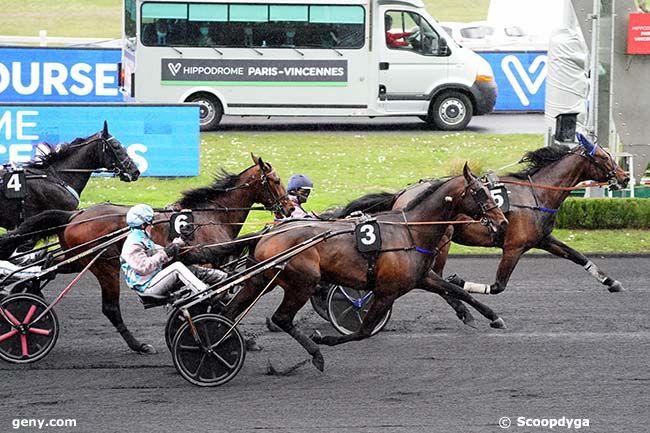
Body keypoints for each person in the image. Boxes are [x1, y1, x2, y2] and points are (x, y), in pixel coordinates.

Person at [120, 204, 227, 300]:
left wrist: (181, 240)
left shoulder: (143, 239)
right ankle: (204, 294)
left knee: (191, 270)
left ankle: (222, 277)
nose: (152, 226)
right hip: (146, 287)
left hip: (153, 280)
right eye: (150, 223)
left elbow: (163, 251)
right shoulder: (133, 243)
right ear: (143, 225)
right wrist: (167, 252)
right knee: (177, 268)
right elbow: (143, 268)